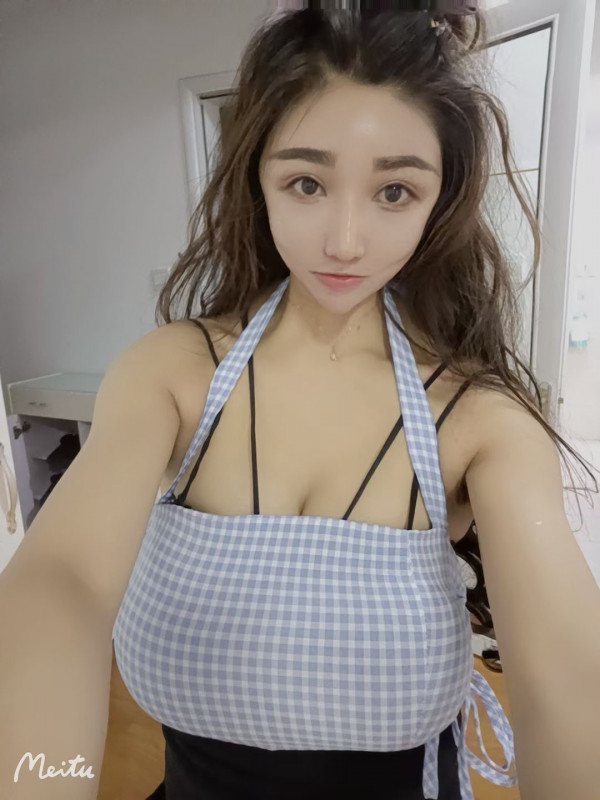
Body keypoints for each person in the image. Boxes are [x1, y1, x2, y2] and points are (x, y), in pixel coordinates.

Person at [2, 4, 599, 800]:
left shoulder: (477, 419)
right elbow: (61, 584)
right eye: (308, 183)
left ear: (440, 202)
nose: (345, 240)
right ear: (259, 180)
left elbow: (568, 672)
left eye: (394, 191)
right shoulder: (172, 374)